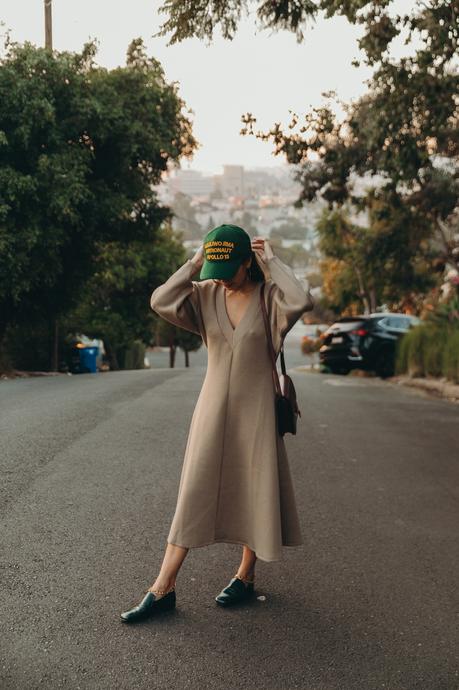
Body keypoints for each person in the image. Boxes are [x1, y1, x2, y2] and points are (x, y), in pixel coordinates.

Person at [120, 224, 314, 623]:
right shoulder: (205, 294)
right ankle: (163, 588)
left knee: (254, 490)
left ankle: (245, 575)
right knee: (194, 492)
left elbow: (302, 300)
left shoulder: (272, 298)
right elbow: (161, 300)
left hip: (257, 411)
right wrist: (194, 262)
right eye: (214, 267)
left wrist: (272, 261)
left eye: (228, 268)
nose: (221, 277)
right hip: (211, 409)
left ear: (248, 262)